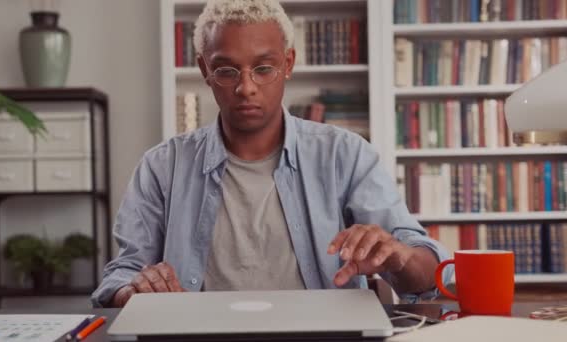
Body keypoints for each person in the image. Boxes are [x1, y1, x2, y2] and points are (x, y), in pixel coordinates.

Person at [92, 0, 450, 308]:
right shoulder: (161, 166)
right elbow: (121, 275)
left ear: (288, 63)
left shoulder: (344, 154)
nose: (246, 87)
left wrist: (399, 256)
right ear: (205, 70)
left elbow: (425, 272)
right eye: (227, 70)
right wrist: (133, 291)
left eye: (263, 68)